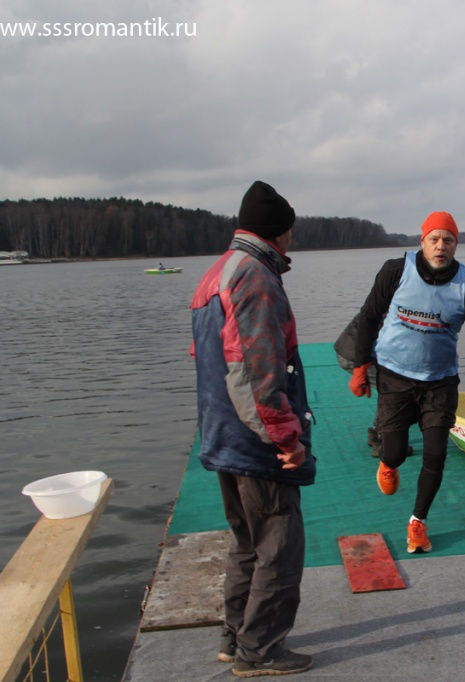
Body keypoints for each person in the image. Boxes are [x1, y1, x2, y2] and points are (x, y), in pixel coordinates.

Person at [190, 180, 315, 678]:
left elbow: (206, 358)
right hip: (255, 439)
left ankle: (235, 635)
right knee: (278, 546)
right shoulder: (255, 277)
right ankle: (260, 651)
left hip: (222, 433)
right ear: (279, 232)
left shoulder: (216, 272)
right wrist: (286, 437)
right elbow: (256, 370)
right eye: (291, 230)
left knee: (246, 542)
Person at [348, 211, 465, 554]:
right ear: (423, 241)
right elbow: (368, 317)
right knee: (395, 452)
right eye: (435, 239)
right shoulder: (395, 271)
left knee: (436, 454)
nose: (441, 246)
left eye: (448, 240)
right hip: (395, 375)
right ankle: (388, 463)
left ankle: (418, 523)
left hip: (439, 382)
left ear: (456, 245)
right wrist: (360, 367)